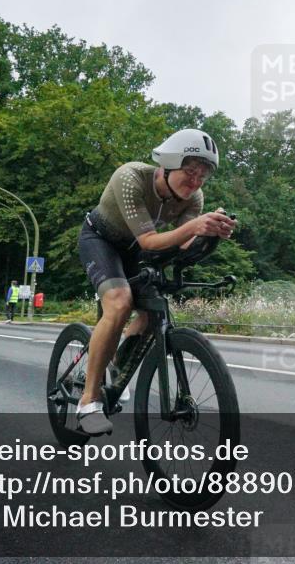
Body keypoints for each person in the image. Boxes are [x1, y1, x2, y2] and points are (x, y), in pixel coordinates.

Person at [76, 128, 235, 434]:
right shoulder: (131, 177)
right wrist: (194, 228)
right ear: (168, 164)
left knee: (150, 314)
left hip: (135, 249)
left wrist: (208, 231)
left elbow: (182, 243)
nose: (196, 182)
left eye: (203, 176)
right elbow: (150, 240)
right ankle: (88, 401)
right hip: (101, 240)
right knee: (119, 302)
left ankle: (115, 366)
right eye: (190, 172)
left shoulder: (194, 198)